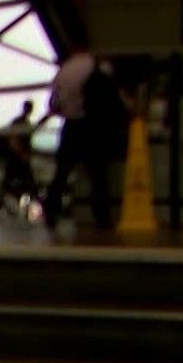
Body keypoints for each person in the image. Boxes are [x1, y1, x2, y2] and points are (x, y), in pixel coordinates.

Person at [41, 45, 126, 231]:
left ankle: (50, 213)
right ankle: (102, 218)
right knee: (98, 175)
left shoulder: (63, 71)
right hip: (91, 127)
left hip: (70, 127)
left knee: (61, 174)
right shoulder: (95, 66)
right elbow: (108, 96)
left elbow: (54, 104)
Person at [0, 100, 37, 215]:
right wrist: (22, 155)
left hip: (15, 158)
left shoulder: (20, 121)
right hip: (17, 158)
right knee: (30, 183)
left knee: (8, 183)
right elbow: (14, 140)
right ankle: (42, 209)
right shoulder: (21, 122)